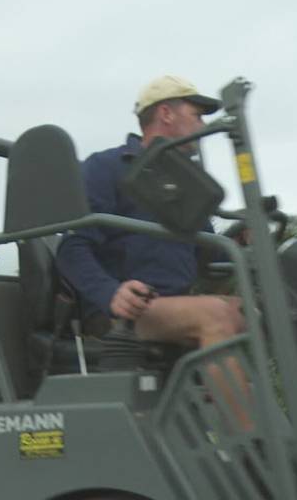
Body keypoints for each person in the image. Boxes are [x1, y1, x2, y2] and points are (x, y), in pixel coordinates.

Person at [56, 75, 249, 423]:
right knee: (217, 316)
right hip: (124, 310)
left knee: (254, 311)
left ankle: (267, 421)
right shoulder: (107, 167)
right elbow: (72, 247)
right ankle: (255, 446)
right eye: (197, 114)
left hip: (175, 304)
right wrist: (110, 293)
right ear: (166, 114)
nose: (202, 125)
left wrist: (243, 242)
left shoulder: (186, 183)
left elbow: (208, 255)